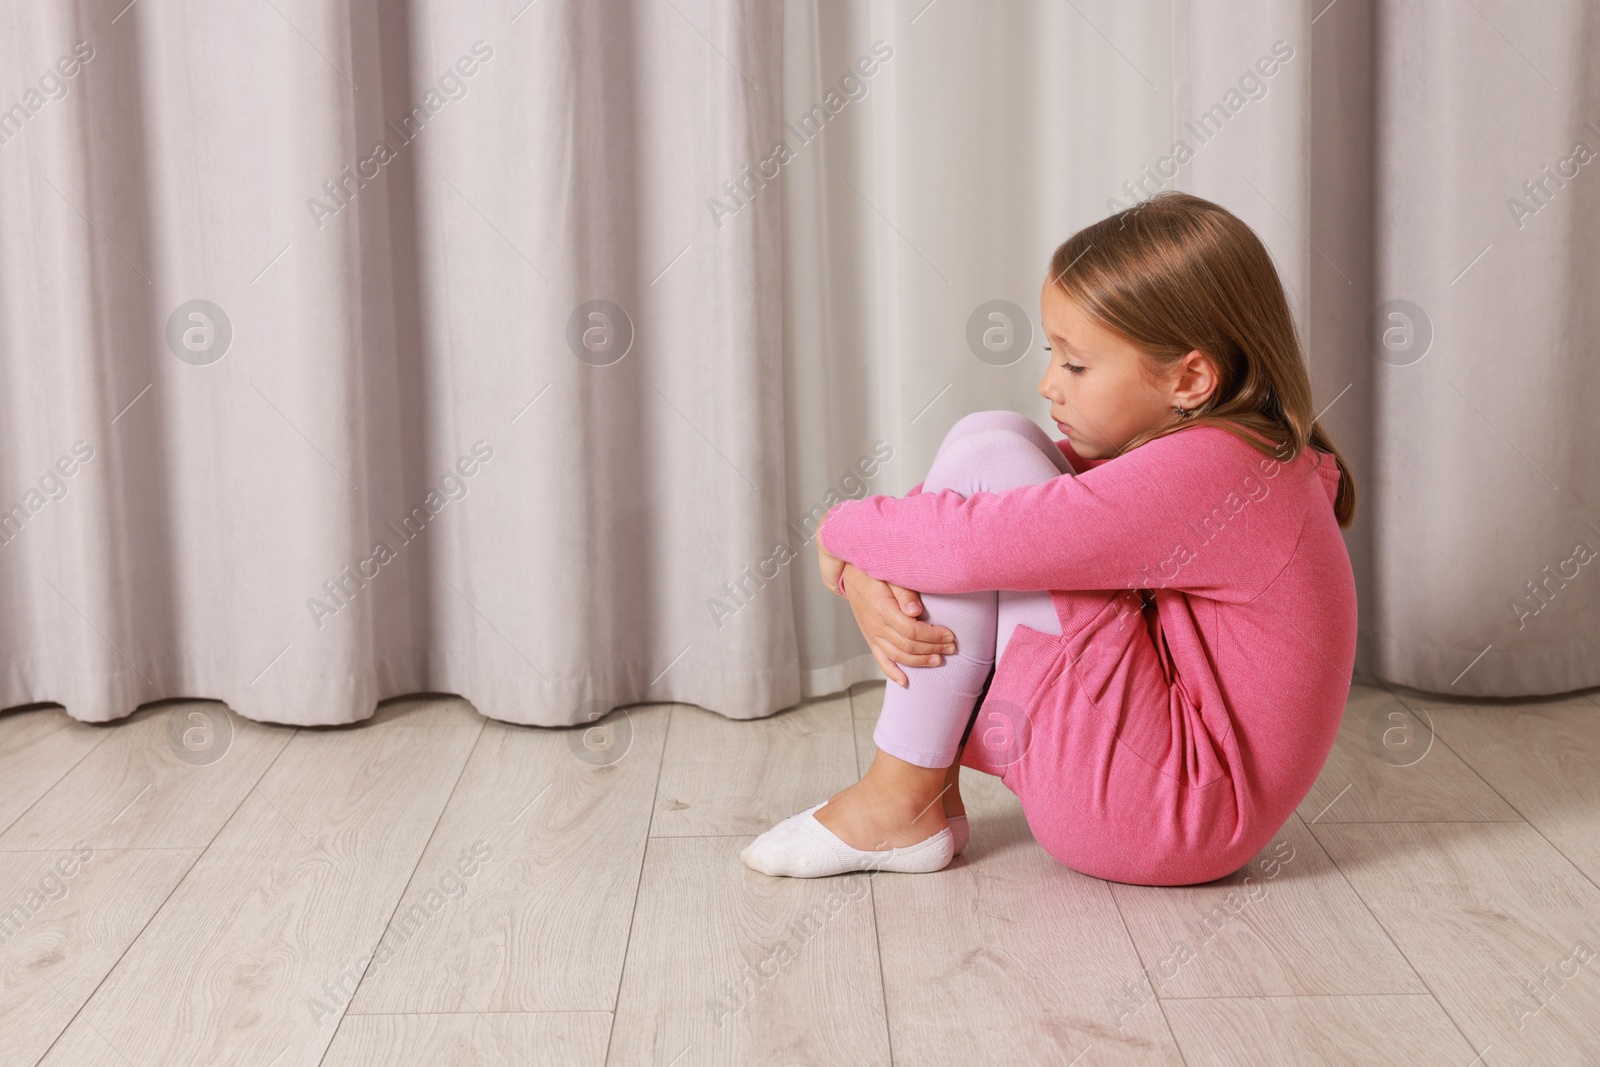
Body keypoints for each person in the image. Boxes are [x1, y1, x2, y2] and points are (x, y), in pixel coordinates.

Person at [740, 190, 1358, 885]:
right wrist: (862, 568)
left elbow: (975, 539)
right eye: (1051, 354)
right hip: (1165, 795)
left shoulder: (1224, 470)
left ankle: (897, 795)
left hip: (1164, 815)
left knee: (992, 458)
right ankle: (920, 790)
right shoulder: (1242, 453)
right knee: (994, 441)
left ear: (1189, 377)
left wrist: (840, 528)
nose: (1047, 383)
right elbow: (976, 525)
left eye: (1076, 364)